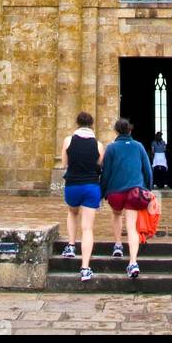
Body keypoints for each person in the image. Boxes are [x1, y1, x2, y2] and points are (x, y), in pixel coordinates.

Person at [100, 118, 153, 280]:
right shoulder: (138, 146)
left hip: (115, 192)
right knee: (131, 226)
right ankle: (133, 262)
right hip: (134, 191)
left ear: (116, 131)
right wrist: (148, 190)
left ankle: (117, 245)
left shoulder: (111, 148)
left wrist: (102, 192)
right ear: (130, 130)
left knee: (116, 215)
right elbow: (147, 170)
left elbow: (106, 172)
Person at [60, 112, 104, 283]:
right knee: (88, 228)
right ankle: (85, 268)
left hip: (72, 185)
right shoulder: (98, 145)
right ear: (92, 124)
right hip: (91, 186)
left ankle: (71, 246)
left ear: (77, 123)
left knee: (72, 213)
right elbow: (98, 165)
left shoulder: (68, 140)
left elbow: (64, 164)